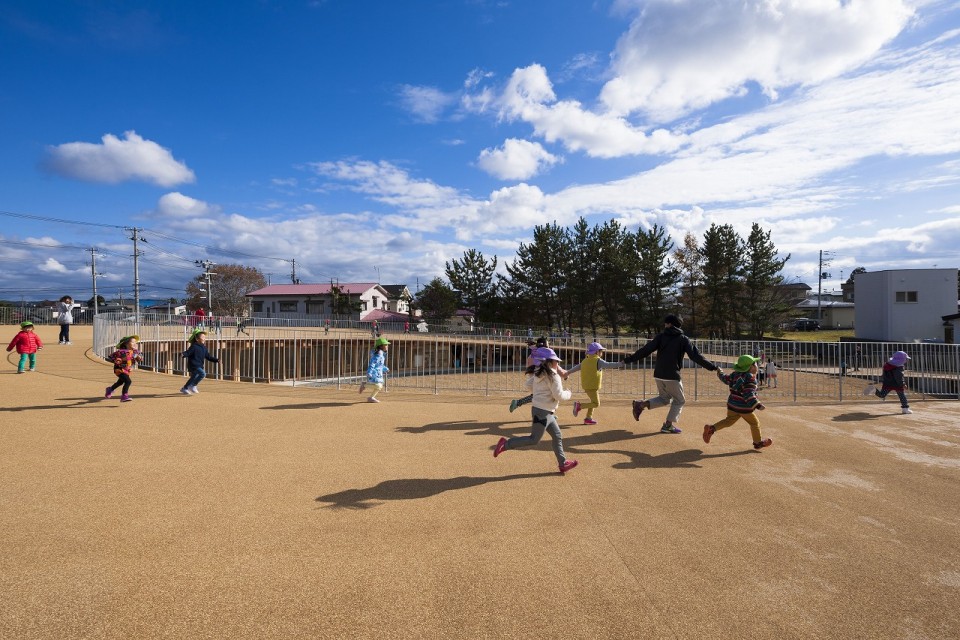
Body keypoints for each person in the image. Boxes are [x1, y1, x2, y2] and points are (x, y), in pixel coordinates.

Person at [623, 314, 720, 434]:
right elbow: (695, 356)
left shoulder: (661, 337)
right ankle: (668, 425)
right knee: (679, 400)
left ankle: (641, 404)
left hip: (658, 374)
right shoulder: (683, 339)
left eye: (666, 322)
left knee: (664, 399)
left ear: (670, 324)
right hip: (672, 375)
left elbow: (646, 350)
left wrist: (630, 359)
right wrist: (712, 367)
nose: (664, 324)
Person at [493, 347, 578, 474]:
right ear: (549, 362)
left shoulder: (539, 373)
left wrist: (540, 393)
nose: (558, 363)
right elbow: (559, 395)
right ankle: (506, 444)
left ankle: (563, 463)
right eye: (556, 361)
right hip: (543, 412)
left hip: (543, 411)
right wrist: (569, 393)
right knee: (534, 439)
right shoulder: (553, 376)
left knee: (557, 435)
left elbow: (528, 385)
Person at [702, 354, 772, 449]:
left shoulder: (735, 374)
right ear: (751, 367)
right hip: (744, 407)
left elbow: (725, 378)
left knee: (729, 421)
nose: (757, 365)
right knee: (755, 423)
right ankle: (757, 442)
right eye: (755, 364)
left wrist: (720, 372)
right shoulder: (750, 378)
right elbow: (748, 394)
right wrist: (757, 405)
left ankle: (712, 428)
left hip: (732, 405)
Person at [567, 342, 624, 425]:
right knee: (596, 403)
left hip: (587, 385)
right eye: (601, 351)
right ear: (597, 352)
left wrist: (568, 372)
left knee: (592, 402)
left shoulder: (585, 360)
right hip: (593, 386)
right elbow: (608, 365)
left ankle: (588, 418)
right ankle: (579, 406)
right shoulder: (598, 360)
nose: (602, 353)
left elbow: (577, 367)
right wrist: (620, 364)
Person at [508, 337, 567, 412]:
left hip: (533, 380)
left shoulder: (532, 355)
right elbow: (559, 370)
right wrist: (566, 374)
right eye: (548, 345)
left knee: (541, 396)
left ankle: (518, 403)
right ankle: (518, 402)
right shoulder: (547, 358)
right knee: (548, 395)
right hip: (539, 381)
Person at [181, 330, 220, 395]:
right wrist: (183, 354)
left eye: (205, 337)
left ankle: (185, 388)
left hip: (199, 365)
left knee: (194, 376)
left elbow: (208, 357)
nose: (204, 338)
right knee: (203, 374)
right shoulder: (194, 346)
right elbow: (188, 352)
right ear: (197, 339)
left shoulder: (204, 348)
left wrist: (216, 360)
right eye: (203, 337)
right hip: (194, 365)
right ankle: (193, 385)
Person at [104, 335, 141, 402]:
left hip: (127, 369)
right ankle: (124, 396)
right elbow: (111, 356)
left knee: (120, 382)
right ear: (126, 343)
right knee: (128, 381)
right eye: (132, 342)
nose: (135, 344)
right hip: (119, 369)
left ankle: (110, 389)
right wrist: (117, 360)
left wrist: (138, 357)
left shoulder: (135, 352)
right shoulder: (121, 352)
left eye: (136, 342)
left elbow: (139, 359)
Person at [360, 337, 390, 403]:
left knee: (380, 385)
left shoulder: (381, 354)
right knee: (378, 385)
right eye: (386, 345)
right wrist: (370, 372)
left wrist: (385, 368)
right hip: (374, 373)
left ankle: (371, 397)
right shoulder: (378, 354)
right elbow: (373, 363)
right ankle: (364, 385)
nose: (387, 346)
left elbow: (379, 365)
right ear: (381, 346)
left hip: (378, 373)